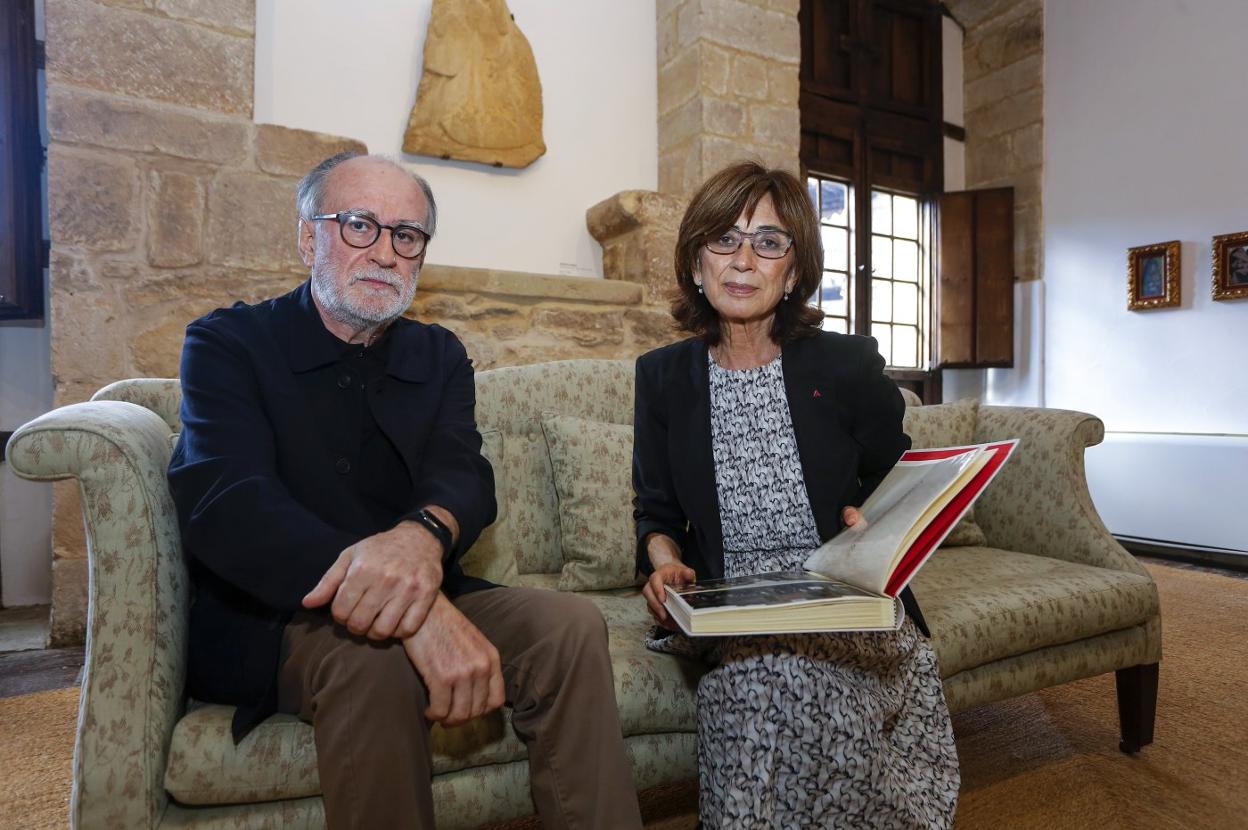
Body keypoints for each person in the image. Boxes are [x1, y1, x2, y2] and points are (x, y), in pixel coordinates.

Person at [169, 152, 642, 829]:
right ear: (309, 237)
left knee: (567, 626)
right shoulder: (229, 343)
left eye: (407, 235)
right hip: (281, 618)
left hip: (430, 586)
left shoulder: (439, 354)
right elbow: (227, 500)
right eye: (359, 225)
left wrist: (424, 537)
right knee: (377, 657)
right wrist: (413, 610)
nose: (385, 252)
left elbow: (463, 474)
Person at [632, 161, 960, 829]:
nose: (744, 259)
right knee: (756, 684)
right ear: (697, 264)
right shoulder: (663, 377)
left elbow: (900, 485)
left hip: (844, 602)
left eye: (769, 242)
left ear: (793, 269)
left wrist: (870, 520)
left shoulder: (844, 364)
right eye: (724, 239)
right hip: (735, 607)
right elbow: (657, 512)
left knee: (817, 692)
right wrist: (663, 562)